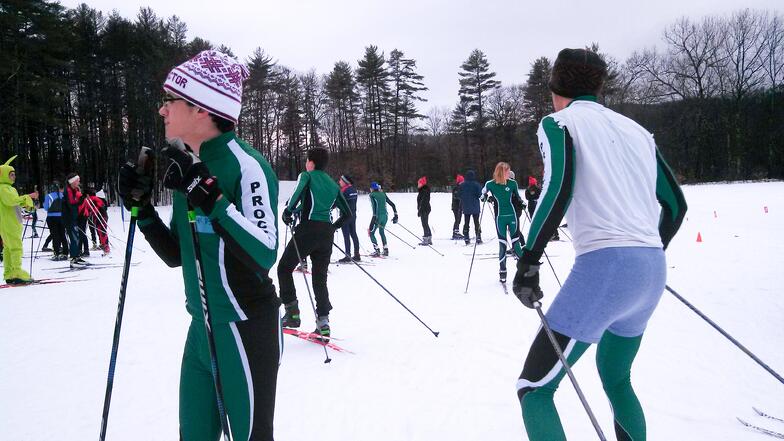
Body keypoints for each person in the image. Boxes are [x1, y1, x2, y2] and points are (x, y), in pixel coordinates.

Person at [512, 48, 687, 441]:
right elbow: (675, 205)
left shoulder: (559, 123)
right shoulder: (637, 131)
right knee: (617, 379)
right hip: (650, 270)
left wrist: (529, 261)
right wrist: (645, 253)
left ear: (555, 86)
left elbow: (557, 188)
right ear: (599, 86)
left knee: (534, 389)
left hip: (606, 269)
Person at [118, 50, 281, 441]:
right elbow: (179, 253)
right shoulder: (187, 166)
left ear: (201, 110)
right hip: (201, 328)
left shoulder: (246, 165)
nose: (162, 111)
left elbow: (265, 252)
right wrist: (141, 210)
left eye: (169, 100)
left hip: (244, 326)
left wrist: (211, 199)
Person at [278, 147, 349, 340]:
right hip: (326, 234)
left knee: (284, 268)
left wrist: (288, 211)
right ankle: (323, 322)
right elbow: (347, 213)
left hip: (308, 229)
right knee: (320, 278)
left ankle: (292, 313)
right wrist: (333, 228)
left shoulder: (306, 176)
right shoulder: (333, 185)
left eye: (307, 160)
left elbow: (295, 196)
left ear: (311, 162)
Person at [481, 162, 526, 283]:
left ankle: (523, 271)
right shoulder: (490, 184)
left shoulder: (513, 184)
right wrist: (484, 197)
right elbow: (482, 194)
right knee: (502, 245)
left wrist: (522, 202)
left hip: (512, 216)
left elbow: (518, 196)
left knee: (516, 243)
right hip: (500, 218)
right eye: (507, 171)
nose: (509, 173)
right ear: (501, 172)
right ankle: (503, 270)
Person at [0, 156, 38, 284]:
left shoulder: (8, 189)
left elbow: (14, 203)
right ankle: (16, 271)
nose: (13, 177)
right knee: (15, 247)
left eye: (14, 174)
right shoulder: (4, 188)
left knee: (8, 248)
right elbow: (11, 201)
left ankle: (9, 273)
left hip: (9, 222)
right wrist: (28, 196)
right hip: (9, 222)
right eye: (11, 174)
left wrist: (27, 203)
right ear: (4, 175)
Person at [62, 173, 88, 267]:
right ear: (72, 181)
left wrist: (82, 197)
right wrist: (80, 201)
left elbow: (77, 201)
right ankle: (73, 259)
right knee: (74, 238)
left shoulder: (74, 189)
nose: (79, 182)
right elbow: (71, 204)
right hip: (68, 218)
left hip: (73, 217)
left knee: (77, 237)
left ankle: (76, 256)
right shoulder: (68, 190)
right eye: (77, 180)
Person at [368, 181, 398, 257]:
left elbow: (375, 208)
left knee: (371, 233)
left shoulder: (372, 195)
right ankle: (386, 249)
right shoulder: (383, 194)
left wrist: (373, 220)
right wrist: (395, 215)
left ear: (372, 188)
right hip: (385, 217)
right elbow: (393, 204)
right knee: (381, 232)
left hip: (377, 217)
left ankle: (377, 250)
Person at [337, 174, 360, 263]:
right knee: (353, 233)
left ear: (345, 182)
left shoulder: (344, 190)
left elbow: (339, 202)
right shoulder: (353, 189)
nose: (339, 182)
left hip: (345, 216)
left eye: (341, 180)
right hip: (353, 215)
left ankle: (348, 255)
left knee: (346, 235)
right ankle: (357, 254)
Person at [43, 182, 69, 260]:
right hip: (62, 217)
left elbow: (46, 208)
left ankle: (57, 253)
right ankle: (65, 253)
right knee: (62, 235)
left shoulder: (49, 196)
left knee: (55, 235)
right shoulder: (62, 195)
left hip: (51, 217)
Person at [458, 169, 482, 245]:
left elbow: (459, 195)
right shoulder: (476, 184)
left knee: (466, 222)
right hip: (475, 206)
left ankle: (466, 237)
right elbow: (480, 195)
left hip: (466, 206)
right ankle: (478, 237)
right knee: (476, 222)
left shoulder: (462, 185)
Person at [416, 176, 431, 245]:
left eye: (419, 183)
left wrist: (420, 210)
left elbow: (423, 201)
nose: (418, 184)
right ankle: (429, 238)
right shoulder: (424, 190)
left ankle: (426, 239)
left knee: (424, 224)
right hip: (425, 208)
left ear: (422, 184)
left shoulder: (423, 191)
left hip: (424, 209)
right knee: (425, 223)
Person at [451, 174, 464, 240]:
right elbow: (456, 197)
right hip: (456, 207)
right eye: (462, 181)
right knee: (457, 219)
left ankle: (456, 231)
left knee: (458, 219)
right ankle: (455, 233)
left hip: (459, 206)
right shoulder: (457, 188)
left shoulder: (460, 188)